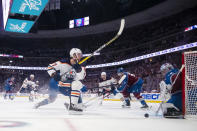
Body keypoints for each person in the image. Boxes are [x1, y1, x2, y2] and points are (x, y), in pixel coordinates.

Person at [34, 48, 86, 112]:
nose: (80, 56)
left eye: (80, 54)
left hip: (69, 85)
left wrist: (79, 70)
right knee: (76, 85)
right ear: (73, 55)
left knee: (79, 92)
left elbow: (81, 77)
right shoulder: (63, 62)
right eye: (79, 54)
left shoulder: (81, 65)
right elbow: (50, 67)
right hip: (60, 84)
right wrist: (54, 74)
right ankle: (72, 106)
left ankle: (74, 104)